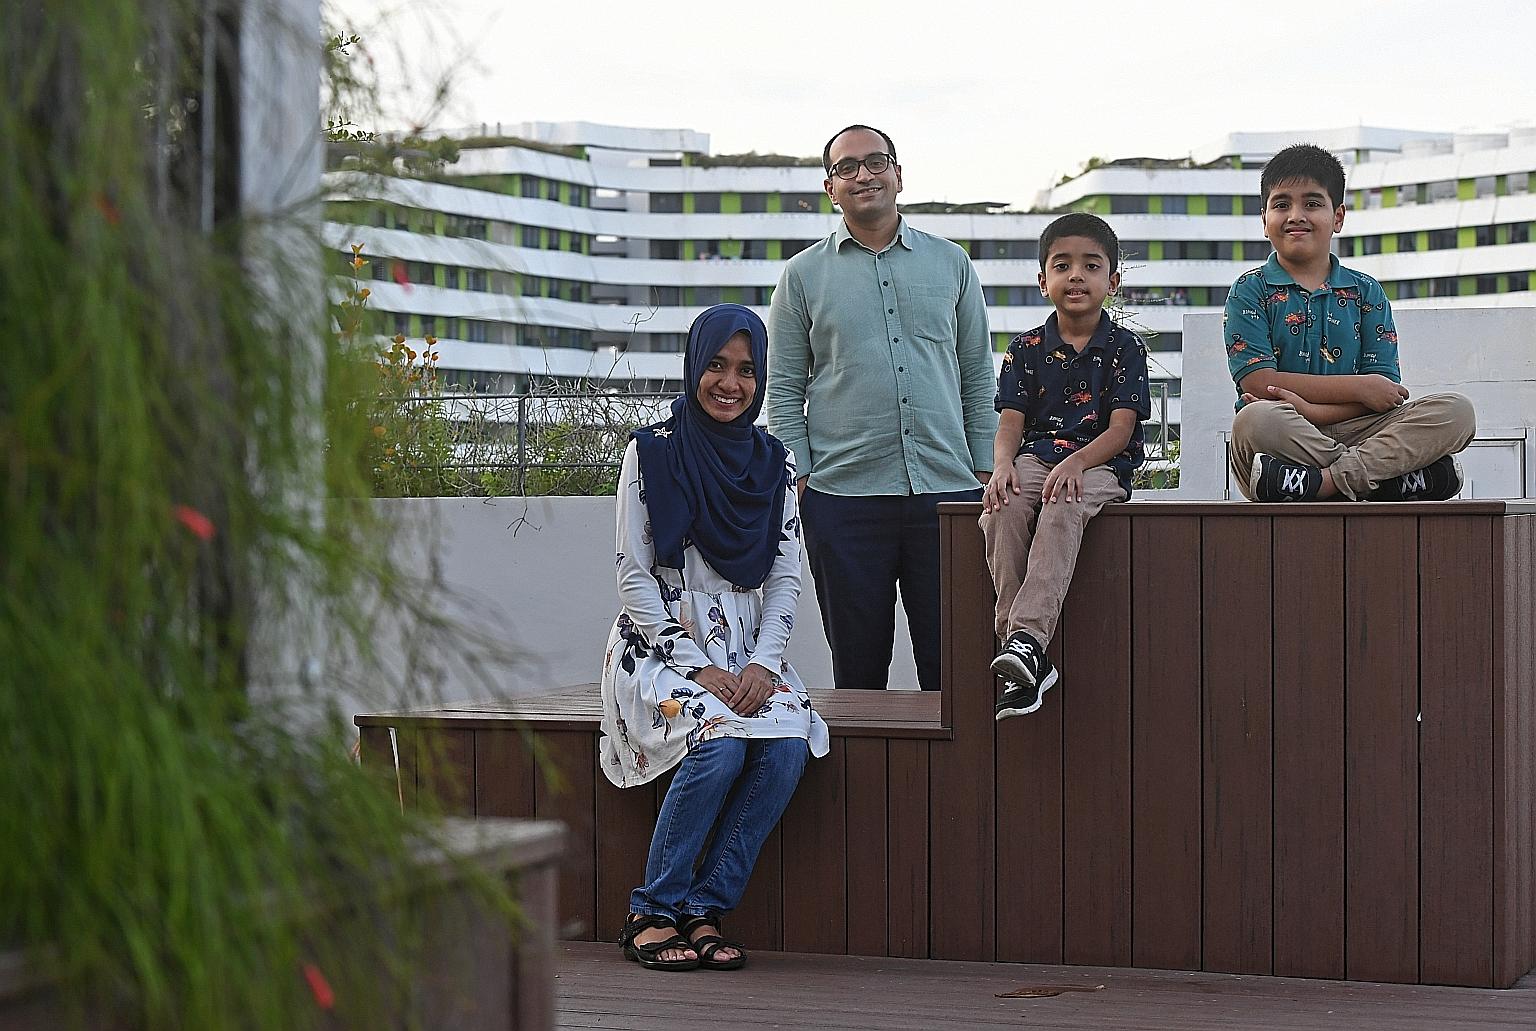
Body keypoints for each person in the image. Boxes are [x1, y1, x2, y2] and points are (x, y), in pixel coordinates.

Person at [599, 303, 829, 972]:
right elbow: (633, 575)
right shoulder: (652, 451)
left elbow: (786, 575)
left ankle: (703, 905)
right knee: (719, 743)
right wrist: (696, 666)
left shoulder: (774, 462)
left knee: (787, 745)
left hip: (748, 652)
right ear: (695, 365)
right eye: (717, 366)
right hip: (663, 649)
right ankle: (652, 908)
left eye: (746, 370)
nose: (730, 383)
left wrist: (764, 664)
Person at [766, 124, 996, 692]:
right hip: (843, 501)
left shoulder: (951, 264)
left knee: (952, 674)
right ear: (830, 188)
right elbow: (784, 385)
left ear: (898, 173)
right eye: (848, 168)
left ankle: (950, 784)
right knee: (858, 670)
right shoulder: (801, 276)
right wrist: (801, 479)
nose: (864, 175)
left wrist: (986, 467)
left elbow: (976, 374)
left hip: (949, 493)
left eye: (876, 162)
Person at [1224, 143, 1476, 502]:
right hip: (1287, 437)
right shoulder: (1249, 290)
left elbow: (1384, 394)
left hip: (1364, 432)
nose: (1296, 214)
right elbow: (1262, 383)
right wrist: (1353, 391)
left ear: (1338, 217)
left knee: (1457, 412)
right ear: (1264, 219)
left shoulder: (1366, 292)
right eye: (1282, 204)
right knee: (1255, 421)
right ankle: (1385, 481)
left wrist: (1319, 405)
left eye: (1312, 203)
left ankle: (1323, 484)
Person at [980, 213, 1149, 719]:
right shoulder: (1025, 350)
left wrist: (1076, 462)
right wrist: (1002, 467)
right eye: (1062, 265)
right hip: (1039, 456)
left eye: (1091, 266)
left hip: (1100, 462)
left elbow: (1120, 430)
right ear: (1042, 280)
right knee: (1001, 508)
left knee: (1061, 504)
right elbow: (1010, 422)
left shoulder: (1125, 349)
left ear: (1112, 281)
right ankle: (1025, 653)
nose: (1076, 275)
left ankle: (1025, 640)